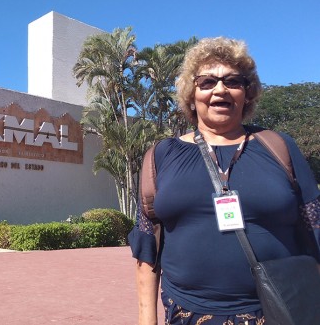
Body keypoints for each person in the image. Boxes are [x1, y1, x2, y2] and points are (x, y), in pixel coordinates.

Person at [129, 37, 320, 325]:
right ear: (191, 94)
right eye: (207, 82)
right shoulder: (161, 156)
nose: (221, 89)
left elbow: (316, 233)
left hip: (278, 312)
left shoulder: (279, 147)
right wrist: (146, 320)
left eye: (233, 81)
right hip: (187, 314)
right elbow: (148, 248)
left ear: (247, 92)